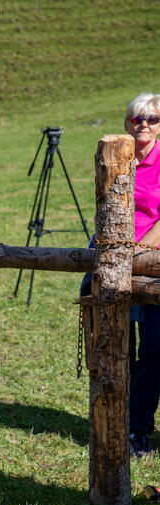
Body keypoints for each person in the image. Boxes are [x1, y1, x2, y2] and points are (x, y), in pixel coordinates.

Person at [125, 93, 160, 457]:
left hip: (153, 261)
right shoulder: (117, 155)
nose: (144, 125)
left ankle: (138, 427)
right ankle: (113, 414)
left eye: (151, 119)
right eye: (137, 119)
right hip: (115, 255)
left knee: (153, 346)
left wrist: (139, 251)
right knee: (114, 343)